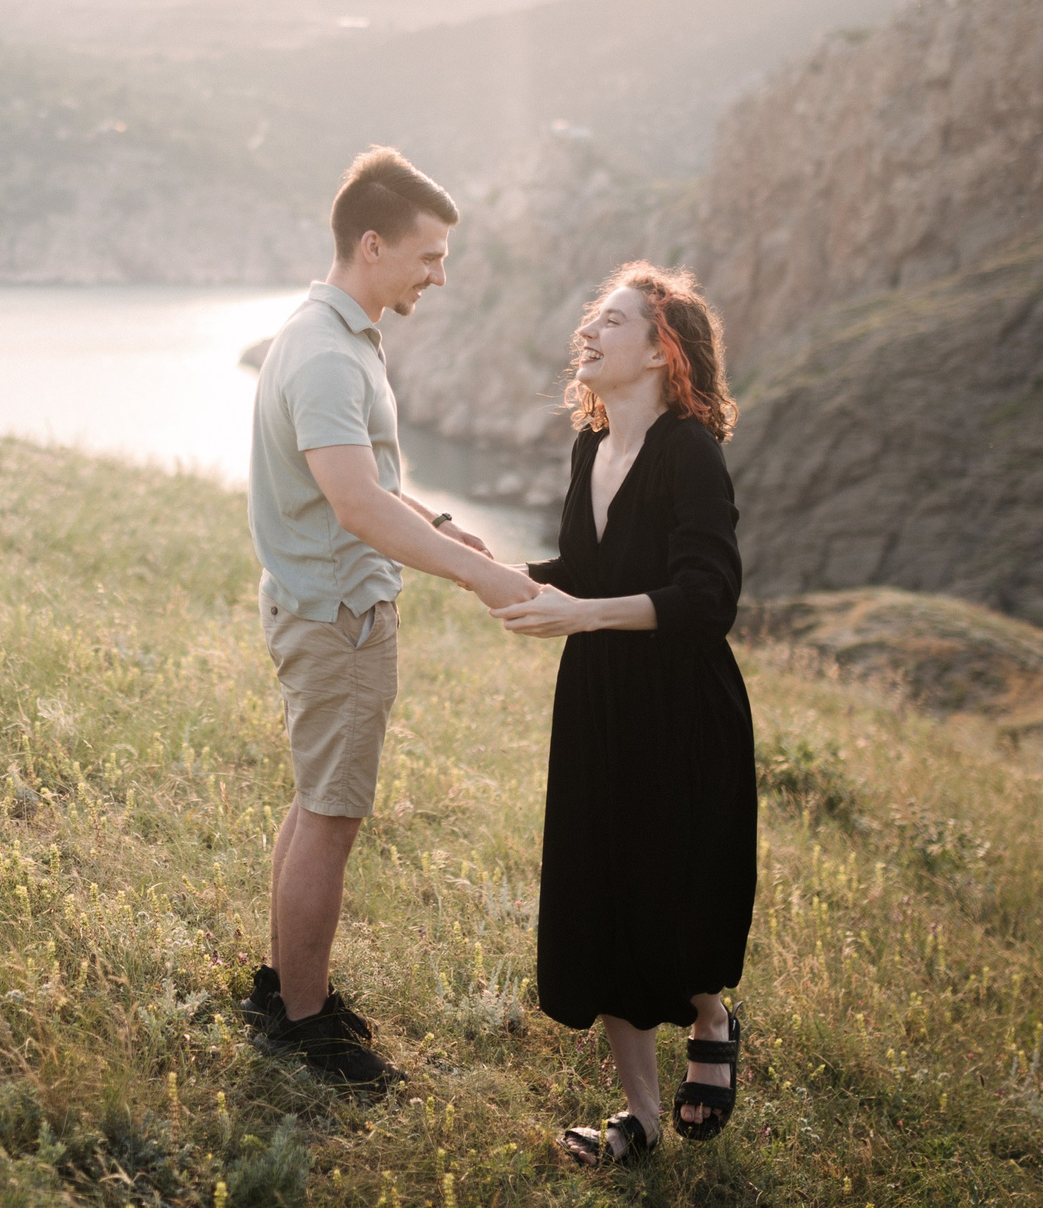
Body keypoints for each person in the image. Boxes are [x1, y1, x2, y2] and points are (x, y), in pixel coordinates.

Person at [243, 146, 540, 1089]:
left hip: (323, 605)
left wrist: (443, 525)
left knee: (315, 800)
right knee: (331, 816)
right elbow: (356, 505)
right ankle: (303, 1027)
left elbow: (368, 479)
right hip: (339, 617)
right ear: (372, 244)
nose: (439, 275)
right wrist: (478, 577)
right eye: (429, 255)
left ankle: (283, 992)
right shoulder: (329, 354)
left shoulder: (333, 333)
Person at [489, 262, 755, 1158]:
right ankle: (639, 1116)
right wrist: (487, 567)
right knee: (602, 890)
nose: (589, 331)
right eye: (591, 318)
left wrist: (584, 615)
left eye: (611, 319)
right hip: (597, 699)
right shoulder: (589, 446)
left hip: (681, 707)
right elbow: (584, 574)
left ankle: (711, 1014)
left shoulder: (689, 452)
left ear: (659, 348)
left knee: (666, 893)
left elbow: (709, 596)